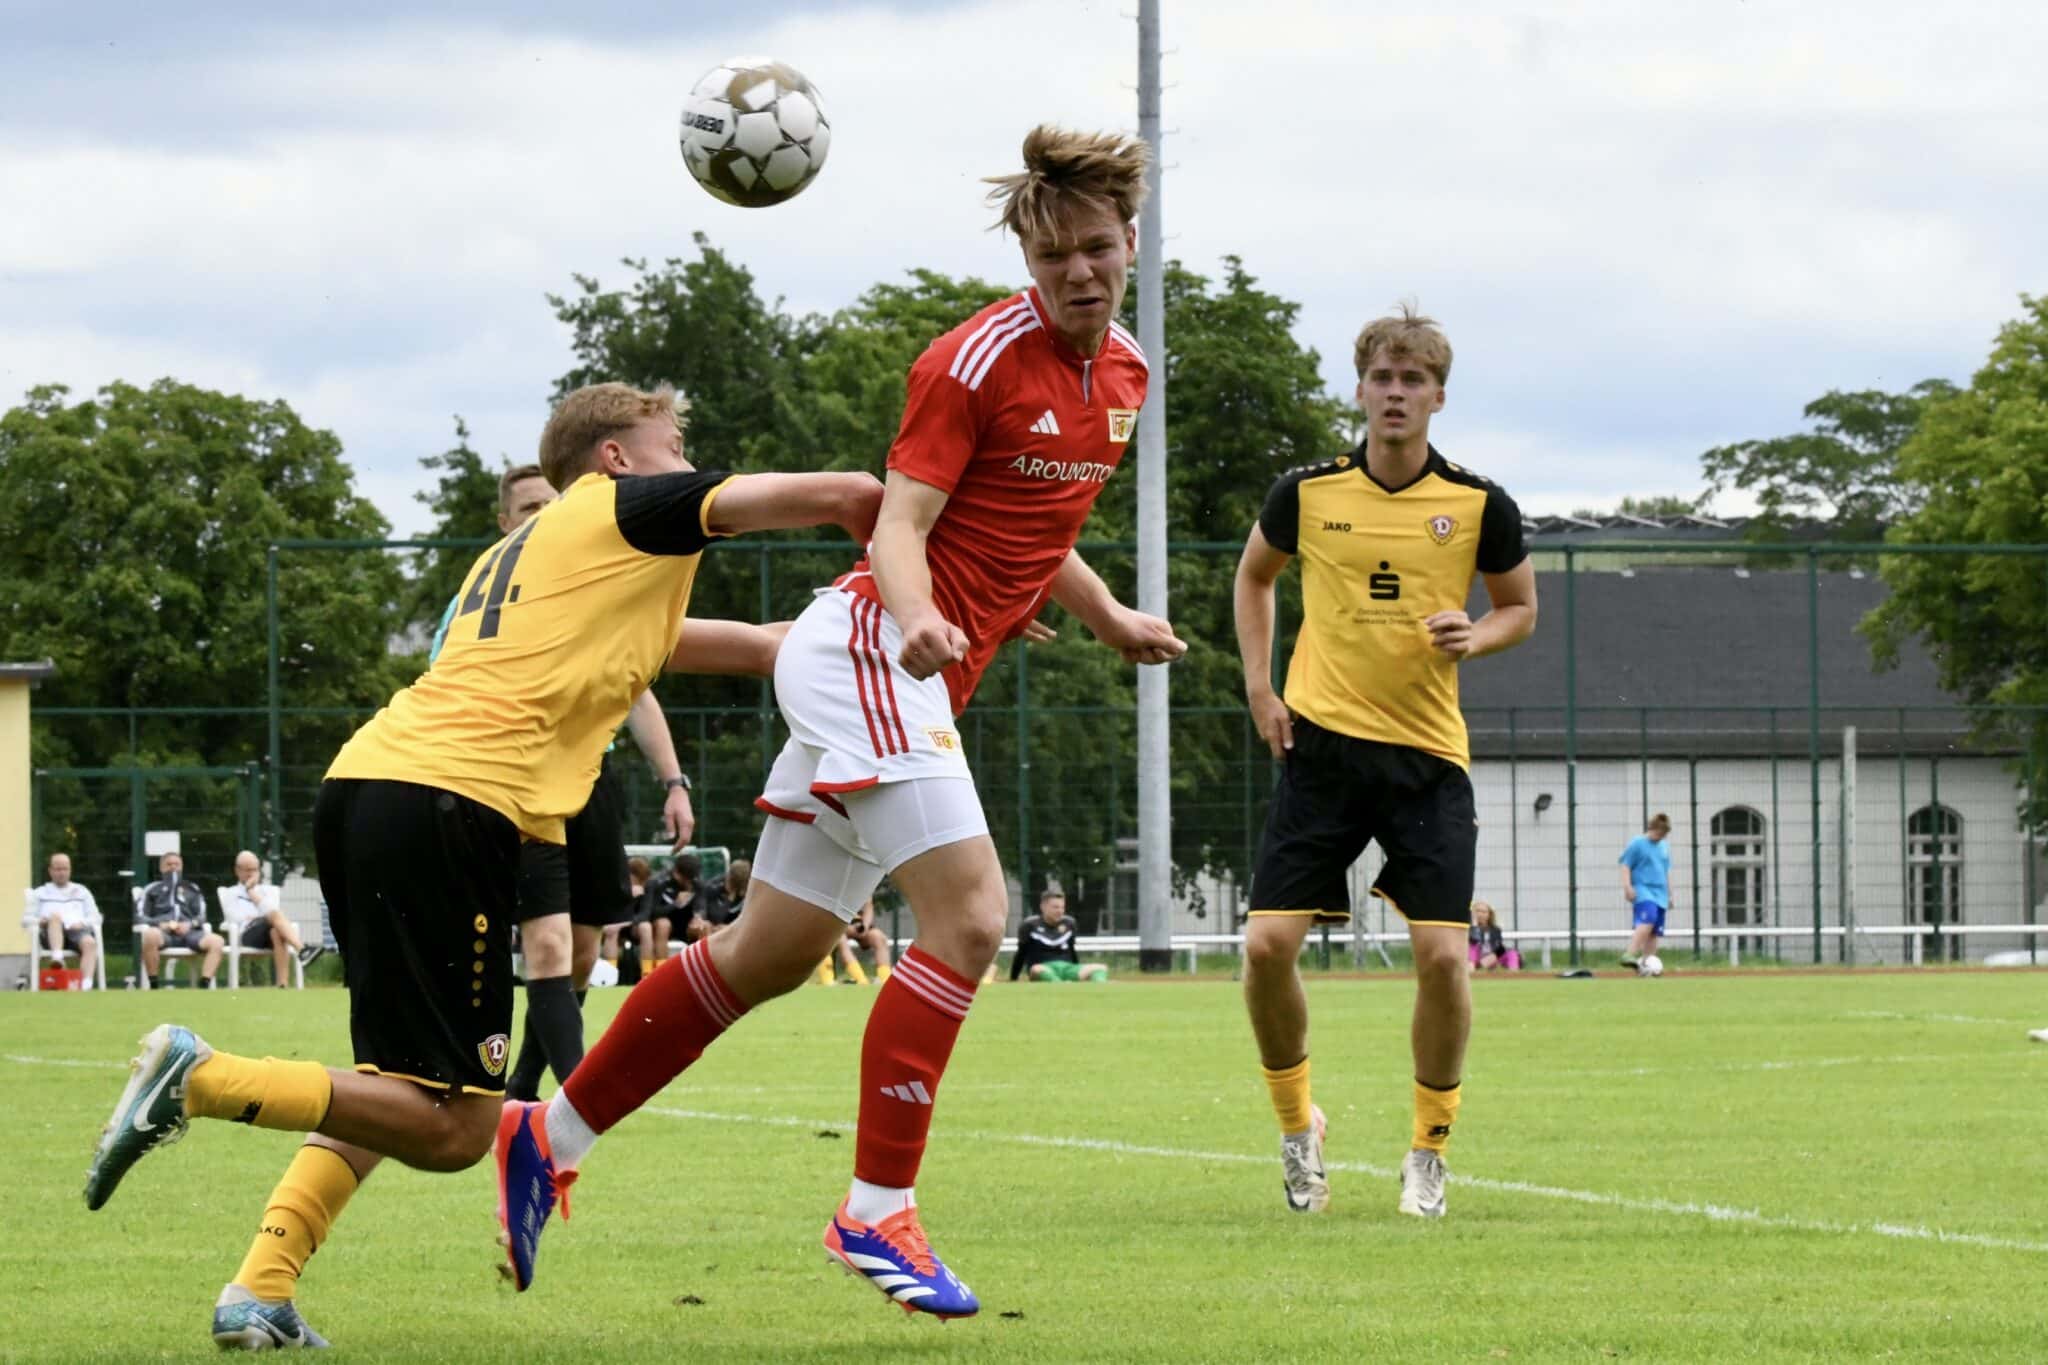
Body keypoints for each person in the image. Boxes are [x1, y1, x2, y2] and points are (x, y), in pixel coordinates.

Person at [499, 126, 1182, 1319]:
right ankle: (874, 1212)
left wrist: (1108, 612)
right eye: (1057, 252)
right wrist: (920, 620)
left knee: (769, 954)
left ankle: (544, 1136)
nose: (1081, 270)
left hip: (897, 664)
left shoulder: (1121, 372)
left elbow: (1038, 518)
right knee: (974, 916)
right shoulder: (967, 363)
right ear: (1028, 254)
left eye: (1099, 248)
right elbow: (900, 525)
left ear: (1129, 245)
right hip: (869, 646)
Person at [82, 379, 880, 1350]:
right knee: (459, 1125)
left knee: (395, 1083)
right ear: (616, 457)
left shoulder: (553, 566)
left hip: (379, 787)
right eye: (674, 444)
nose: (689, 462)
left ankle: (261, 1287)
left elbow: (764, 648)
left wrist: (936, 625)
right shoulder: (617, 506)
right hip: (445, 803)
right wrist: (947, 566)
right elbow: (849, 492)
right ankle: (200, 1077)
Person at [1233, 304, 1536, 1220]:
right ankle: (1298, 1132)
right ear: (1360, 389)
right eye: (1382, 378)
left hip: (1427, 761)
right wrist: (1260, 688)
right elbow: (1254, 577)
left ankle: (1428, 1151)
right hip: (1320, 750)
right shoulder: (1306, 491)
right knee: (1264, 946)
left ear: (1438, 395)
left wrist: (1475, 636)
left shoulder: (1481, 503)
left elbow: (1519, 607)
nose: (1395, 393)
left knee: (1446, 959)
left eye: (1413, 380)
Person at [224, 851, 322, 987]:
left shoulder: (268, 891)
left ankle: (282, 984)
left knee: (277, 932)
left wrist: (252, 893)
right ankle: (302, 949)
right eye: (247, 870)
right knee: (274, 918)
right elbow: (234, 917)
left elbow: (273, 914)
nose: (251, 874)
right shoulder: (230, 893)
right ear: (237, 870)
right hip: (248, 934)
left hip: (269, 930)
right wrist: (249, 893)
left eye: (254, 870)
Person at [137, 851, 224, 989]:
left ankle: (204, 985)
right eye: (169, 864)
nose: (173, 868)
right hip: (163, 934)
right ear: (161, 868)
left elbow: (202, 915)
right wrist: (160, 924)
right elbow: (140, 916)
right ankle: (153, 984)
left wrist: (190, 925)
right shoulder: (152, 889)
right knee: (150, 935)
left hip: (190, 934)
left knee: (217, 941)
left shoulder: (192, 888)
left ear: (182, 867)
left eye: (177, 864)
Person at [30, 852, 99, 989]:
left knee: (90, 942)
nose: (62, 873)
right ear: (50, 871)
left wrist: (82, 923)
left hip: (76, 931)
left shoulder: (82, 891)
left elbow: (96, 916)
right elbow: (26, 919)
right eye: (58, 869)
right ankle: (57, 958)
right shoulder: (40, 893)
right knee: (55, 917)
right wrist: (39, 921)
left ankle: (86, 986)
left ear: (70, 870)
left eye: (65, 869)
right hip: (50, 933)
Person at [1011, 889, 1105, 982]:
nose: (1060, 911)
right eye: (1055, 907)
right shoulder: (1029, 925)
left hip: (1067, 968)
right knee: (1036, 969)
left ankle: (1100, 990)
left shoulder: (1069, 924)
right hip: (1043, 968)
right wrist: (1013, 978)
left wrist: (1077, 968)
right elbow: (1021, 953)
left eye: (1062, 907)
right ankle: (1061, 986)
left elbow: (1072, 950)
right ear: (1043, 907)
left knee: (1100, 968)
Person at [1619, 814, 1674, 972]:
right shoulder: (1637, 843)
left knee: (1654, 931)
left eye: (1664, 835)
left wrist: (1670, 894)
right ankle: (1629, 954)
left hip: (1660, 892)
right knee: (1649, 918)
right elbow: (1625, 865)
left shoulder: (1664, 846)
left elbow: (1667, 870)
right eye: (1659, 833)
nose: (1661, 837)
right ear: (1652, 828)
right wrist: (1627, 886)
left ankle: (1646, 965)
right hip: (1643, 889)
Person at [833, 898, 894, 985]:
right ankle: (860, 979)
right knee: (840, 938)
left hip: (859, 925)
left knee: (878, 937)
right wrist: (847, 928)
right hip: (840, 926)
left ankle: (884, 978)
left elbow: (868, 907)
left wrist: (865, 926)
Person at [1466, 901, 1520, 972]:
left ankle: (1514, 975)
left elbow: (1499, 947)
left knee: (1512, 953)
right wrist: (1475, 926)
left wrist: (1492, 957)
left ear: (1489, 914)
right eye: (1477, 911)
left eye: (1484, 912)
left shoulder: (1496, 929)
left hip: (1490, 957)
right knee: (1473, 947)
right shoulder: (1468, 928)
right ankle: (1471, 971)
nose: (1480, 914)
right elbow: (1473, 940)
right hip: (1474, 957)